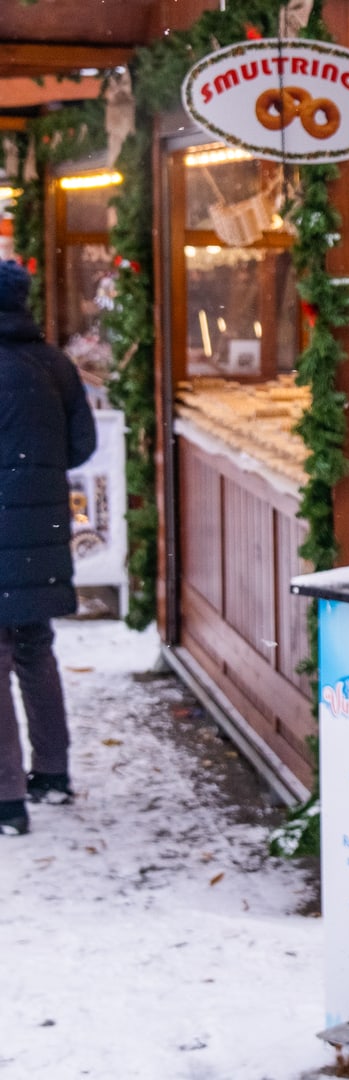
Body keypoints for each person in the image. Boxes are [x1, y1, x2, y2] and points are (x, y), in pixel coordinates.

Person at [0, 260, 98, 835]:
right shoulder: (55, 364)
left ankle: (8, 800)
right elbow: (81, 445)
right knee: (36, 649)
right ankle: (52, 774)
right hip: (41, 536)